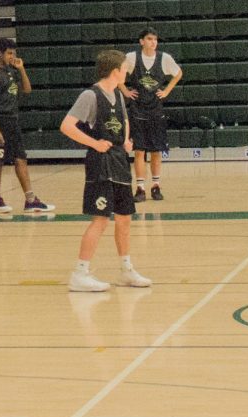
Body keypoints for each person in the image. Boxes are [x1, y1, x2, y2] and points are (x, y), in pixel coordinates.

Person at [60, 49, 152, 292]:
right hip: (100, 164)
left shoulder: (118, 95)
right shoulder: (90, 95)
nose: (126, 73)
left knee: (124, 219)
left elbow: (125, 121)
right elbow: (66, 126)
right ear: (115, 71)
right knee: (100, 220)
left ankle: (126, 270)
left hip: (120, 161)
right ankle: (80, 274)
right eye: (124, 69)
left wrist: (127, 140)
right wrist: (94, 143)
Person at [0, 37, 54, 214]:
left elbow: (27, 89)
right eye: (9, 53)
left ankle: (30, 200)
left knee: (21, 158)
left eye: (13, 53)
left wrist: (21, 68)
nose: (12, 56)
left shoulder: (11, 70)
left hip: (13, 120)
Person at [120, 27, 183, 202]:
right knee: (139, 151)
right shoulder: (132, 57)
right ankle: (140, 188)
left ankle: (156, 186)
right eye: (149, 39)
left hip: (156, 110)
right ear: (141, 41)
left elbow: (178, 74)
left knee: (156, 151)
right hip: (138, 110)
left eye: (155, 39)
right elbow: (119, 76)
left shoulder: (165, 58)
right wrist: (125, 90)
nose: (153, 42)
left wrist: (167, 90)